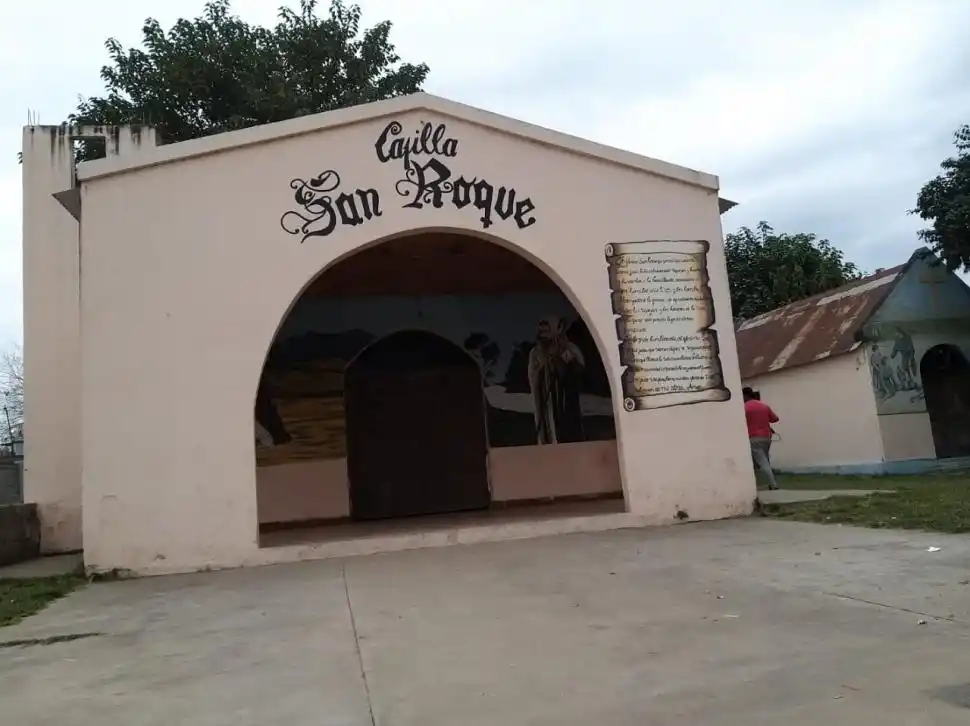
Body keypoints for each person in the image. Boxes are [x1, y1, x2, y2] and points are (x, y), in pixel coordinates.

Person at [743, 386, 779, 490]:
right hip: (766, 437)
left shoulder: (744, 407)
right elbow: (775, 419)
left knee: (762, 461)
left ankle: (773, 484)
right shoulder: (764, 405)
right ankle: (753, 484)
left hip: (753, 437)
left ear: (745, 395)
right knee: (761, 460)